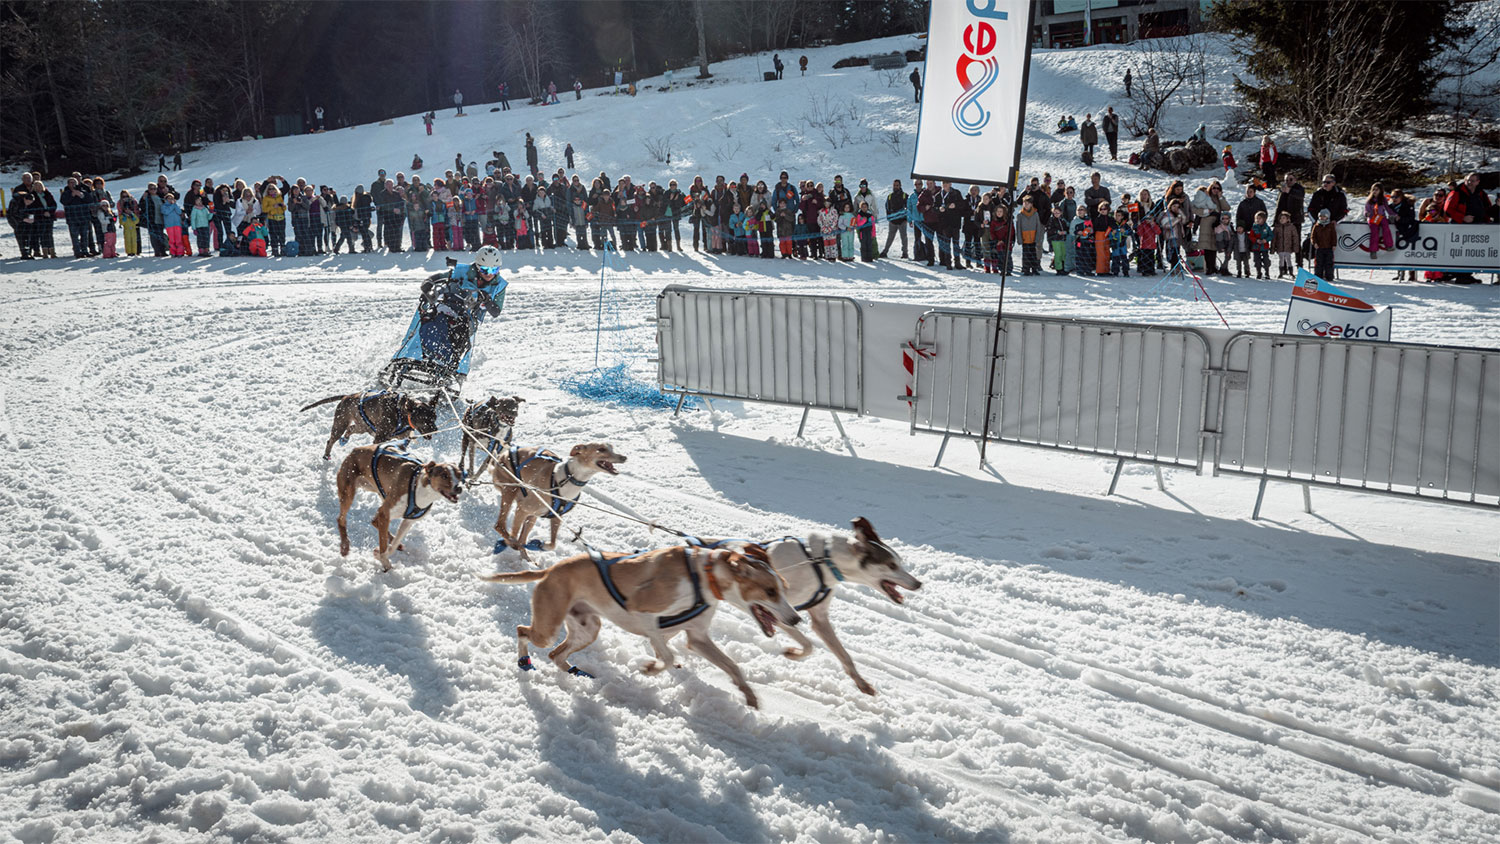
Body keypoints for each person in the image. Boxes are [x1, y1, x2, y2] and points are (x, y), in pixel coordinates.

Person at [418, 244, 507, 370]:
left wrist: (487, 301)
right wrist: (428, 283)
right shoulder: (462, 271)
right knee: (432, 321)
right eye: (485, 270)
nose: (489, 275)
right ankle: (423, 355)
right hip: (448, 307)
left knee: (459, 332)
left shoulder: (500, 285)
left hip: (469, 319)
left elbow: (496, 311)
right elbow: (438, 277)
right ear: (477, 266)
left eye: (494, 270)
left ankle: (449, 364)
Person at [1364, 183, 1393, 260]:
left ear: (1381, 191)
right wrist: (1367, 214)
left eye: (1377, 189)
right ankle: (1373, 251)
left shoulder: (1383, 200)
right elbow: (1366, 210)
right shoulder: (1369, 200)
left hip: (1381, 217)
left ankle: (1389, 245)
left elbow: (1387, 208)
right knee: (1374, 233)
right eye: (1373, 189)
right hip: (1372, 218)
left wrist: (1393, 214)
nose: (1375, 191)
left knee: (1386, 228)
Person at [1015, 194, 1042, 275]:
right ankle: (1026, 268)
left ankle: (1034, 268)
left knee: (1033, 254)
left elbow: (1038, 226)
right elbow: (1018, 227)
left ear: (1031, 204)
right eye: (1024, 203)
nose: (1026, 205)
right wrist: (1019, 238)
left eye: (1027, 203)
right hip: (1025, 237)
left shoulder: (1035, 214)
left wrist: (1038, 237)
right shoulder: (1020, 215)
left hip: (1033, 237)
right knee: (1026, 254)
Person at [881, 179, 908, 259]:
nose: (895, 187)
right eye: (894, 185)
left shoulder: (905, 196)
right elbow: (887, 207)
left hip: (902, 221)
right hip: (893, 221)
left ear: (900, 186)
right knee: (890, 237)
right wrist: (889, 217)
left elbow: (908, 208)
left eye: (897, 185)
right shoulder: (890, 196)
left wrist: (906, 218)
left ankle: (905, 253)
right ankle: (885, 251)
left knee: (904, 237)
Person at [1311, 209, 1337, 281]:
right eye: (1320, 216)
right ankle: (1318, 276)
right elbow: (1313, 236)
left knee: (1329, 263)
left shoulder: (1331, 226)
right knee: (1319, 263)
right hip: (1319, 248)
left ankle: (1329, 276)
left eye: (1324, 216)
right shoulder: (1316, 226)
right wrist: (1314, 243)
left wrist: (1334, 244)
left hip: (1329, 248)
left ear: (1327, 217)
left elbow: (1334, 236)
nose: (1322, 218)